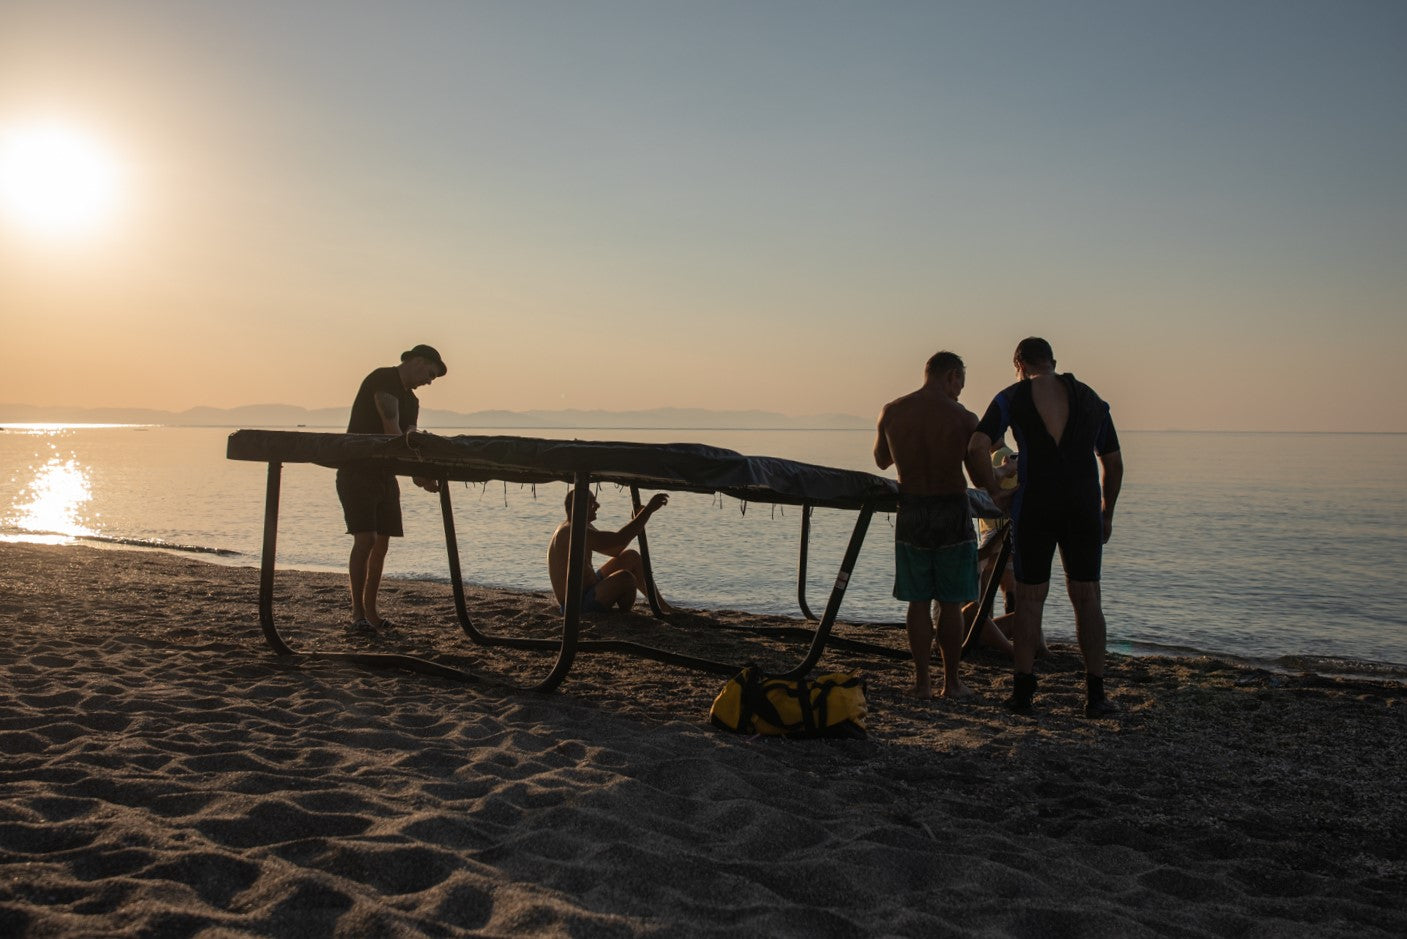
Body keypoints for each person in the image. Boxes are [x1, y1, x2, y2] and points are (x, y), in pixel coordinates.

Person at [967, 337, 1124, 717]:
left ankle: (1023, 693)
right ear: (1053, 361)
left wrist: (993, 492)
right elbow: (1113, 464)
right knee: (1088, 598)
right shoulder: (1090, 399)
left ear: (1017, 363)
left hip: (1035, 505)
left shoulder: (1012, 396)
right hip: (1081, 507)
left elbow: (975, 447)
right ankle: (1096, 695)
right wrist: (1106, 513)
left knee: (1030, 598)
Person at [874, 350, 991, 700]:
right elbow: (979, 478)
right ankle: (952, 683)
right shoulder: (964, 418)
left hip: (911, 508)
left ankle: (922, 683)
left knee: (918, 602)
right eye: (960, 384)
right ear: (951, 375)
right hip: (951, 510)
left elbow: (882, 460)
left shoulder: (893, 411)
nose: (960, 392)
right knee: (951, 603)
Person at [337, 344, 447, 628]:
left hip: (385, 475)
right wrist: (416, 470)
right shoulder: (383, 379)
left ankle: (371, 613)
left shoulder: (413, 401)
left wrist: (421, 475)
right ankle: (357, 614)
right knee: (366, 540)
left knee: (382, 544)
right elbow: (391, 431)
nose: (429, 381)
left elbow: (408, 444)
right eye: (430, 374)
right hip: (357, 469)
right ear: (418, 361)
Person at [547, 489, 675, 616]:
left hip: (591, 587)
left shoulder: (581, 525)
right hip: (578, 604)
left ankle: (663, 606)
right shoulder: (570, 531)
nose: (597, 506)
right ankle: (623, 614)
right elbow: (618, 541)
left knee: (631, 557)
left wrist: (638, 520)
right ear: (578, 507)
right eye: (592, 503)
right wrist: (648, 510)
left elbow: (614, 550)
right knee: (626, 578)